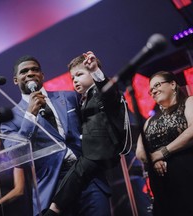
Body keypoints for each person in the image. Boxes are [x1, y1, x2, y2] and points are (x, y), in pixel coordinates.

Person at [0, 55, 113, 216]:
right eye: (24, 71)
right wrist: (30, 115)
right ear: (15, 80)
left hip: (87, 175)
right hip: (53, 184)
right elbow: (15, 155)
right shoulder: (10, 119)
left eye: (35, 69)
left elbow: (98, 116)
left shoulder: (68, 97)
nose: (30, 73)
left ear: (42, 75)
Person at [44, 51, 129, 215]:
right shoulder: (84, 98)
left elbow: (109, 93)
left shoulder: (100, 90)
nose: (75, 80)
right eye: (72, 77)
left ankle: (54, 209)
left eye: (79, 74)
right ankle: (54, 208)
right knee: (77, 173)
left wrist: (96, 70)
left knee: (78, 172)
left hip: (100, 148)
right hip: (92, 151)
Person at [135, 71, 193, 216]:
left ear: (173, 84)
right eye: (151, 90)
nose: (153, 91)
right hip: (165, 191)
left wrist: (161, 153)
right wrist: (153, 160)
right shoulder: (150, 120)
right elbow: (140, 150)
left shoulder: (191, 102)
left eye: (157, 85)